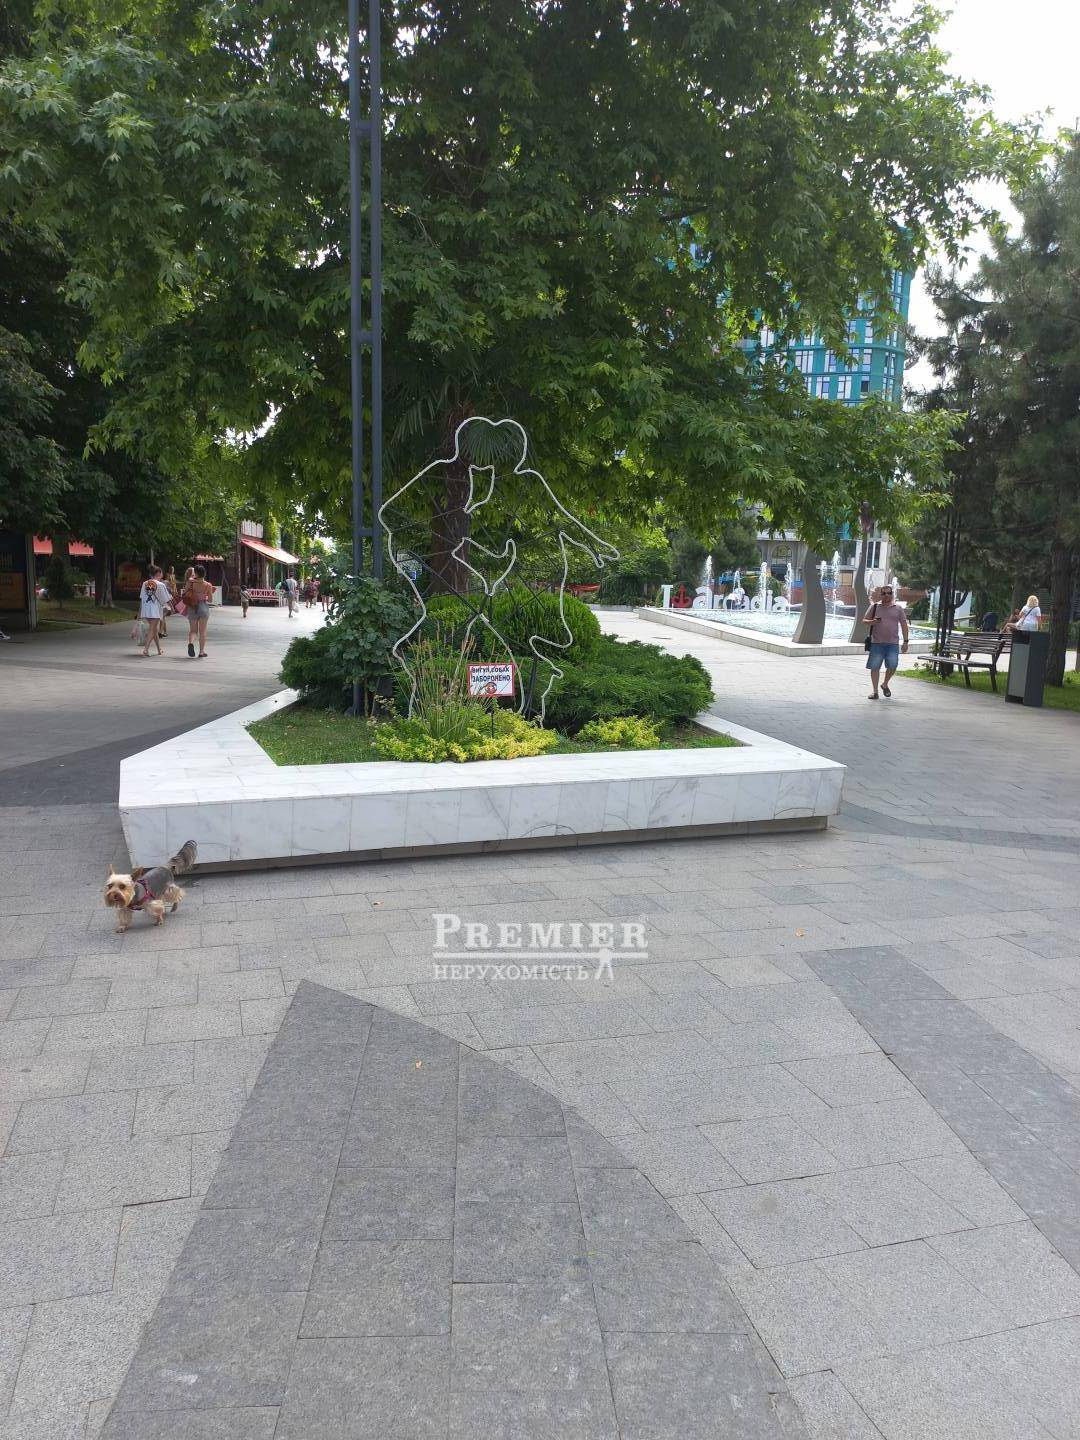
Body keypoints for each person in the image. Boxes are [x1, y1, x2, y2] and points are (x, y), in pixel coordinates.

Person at [862, 583, 909, 699]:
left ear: (892, 594)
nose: (886, 595)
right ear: (880, 595)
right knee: (875, 667)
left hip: (893, 643)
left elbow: (904, 625)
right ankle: (875, 692)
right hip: (877, 643)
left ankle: (885, 684)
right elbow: (864, 621)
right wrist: (873, 622)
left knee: (893, 665)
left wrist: (906, 641)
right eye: (884, 593)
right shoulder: (874, 607)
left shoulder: (898, 608)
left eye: (889, 593)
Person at [183, 564, 214, 658]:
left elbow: (185, 593)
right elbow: (210, 600)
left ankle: (191, 643)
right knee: (202, 631)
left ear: (196, 573)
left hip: (192, 607)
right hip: (203, 607)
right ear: (204, 573)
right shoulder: (208, 585)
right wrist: (204, 596)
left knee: (193, 630)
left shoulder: (190, 582)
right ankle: (201, 652)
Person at [138, 565, 168, 657]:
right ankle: (146, 649)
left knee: (154, 629)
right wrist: (171, 607)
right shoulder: (160, 584)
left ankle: (159, 649)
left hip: (146, 609)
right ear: (158, 573)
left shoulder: (145, 583)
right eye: (161, 573)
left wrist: (140, 612)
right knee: (152, 629)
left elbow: (142, 598)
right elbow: (165, 599)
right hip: (155, 610)